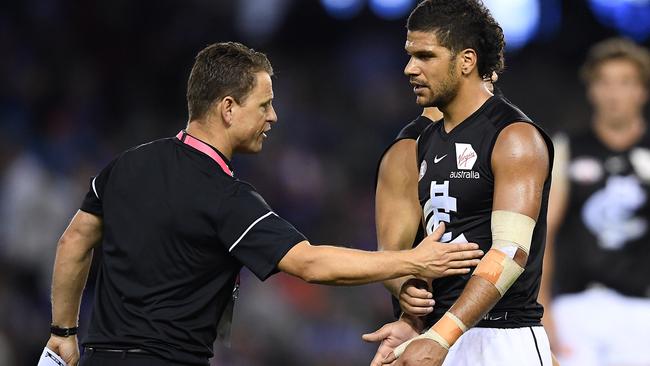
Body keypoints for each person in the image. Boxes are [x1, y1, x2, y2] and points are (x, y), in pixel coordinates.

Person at [42, 42, 486, 366]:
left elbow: (73, 241)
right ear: (228, 108)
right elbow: (311, 264)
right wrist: (412, 260)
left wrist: (64, 332)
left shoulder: (125, 165)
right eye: (265, 104)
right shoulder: (224, 196)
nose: (273, 117)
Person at [363, 1, 555, 365]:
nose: (409, 69)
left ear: (466, 61)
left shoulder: (514, 136)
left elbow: (510, 253)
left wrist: (440, 334)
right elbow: (432, 244)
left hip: (501, 337)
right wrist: (412, 318)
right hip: (441, 335)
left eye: (425, 56)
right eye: (409, 55)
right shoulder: (424, 142)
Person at [539, 38, 650, 366]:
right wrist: (541, 307)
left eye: (626, 83)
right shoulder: (568, 147)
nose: (615, 94)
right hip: (576, 310)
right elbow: (544, 231)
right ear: (591, 90)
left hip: (641, 308)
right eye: (605, 82)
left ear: (642, 91)